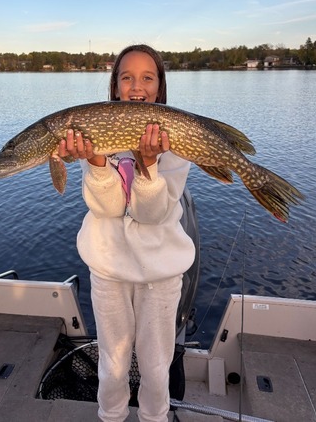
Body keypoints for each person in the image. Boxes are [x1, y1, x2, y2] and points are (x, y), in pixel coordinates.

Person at [58, 44, 195, 422]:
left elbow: (152, 214)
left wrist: (148, 164)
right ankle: (111, 417)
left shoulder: (174, 139)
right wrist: (96, 161)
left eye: (147, 77)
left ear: (159, 86)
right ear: (115, 87)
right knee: (113, 364)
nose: (137, 85)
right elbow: (107, 209)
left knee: (156, 367)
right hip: (109, 268)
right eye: (127, 77)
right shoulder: (92, 133)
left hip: (160, 274)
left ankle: (155, 418)